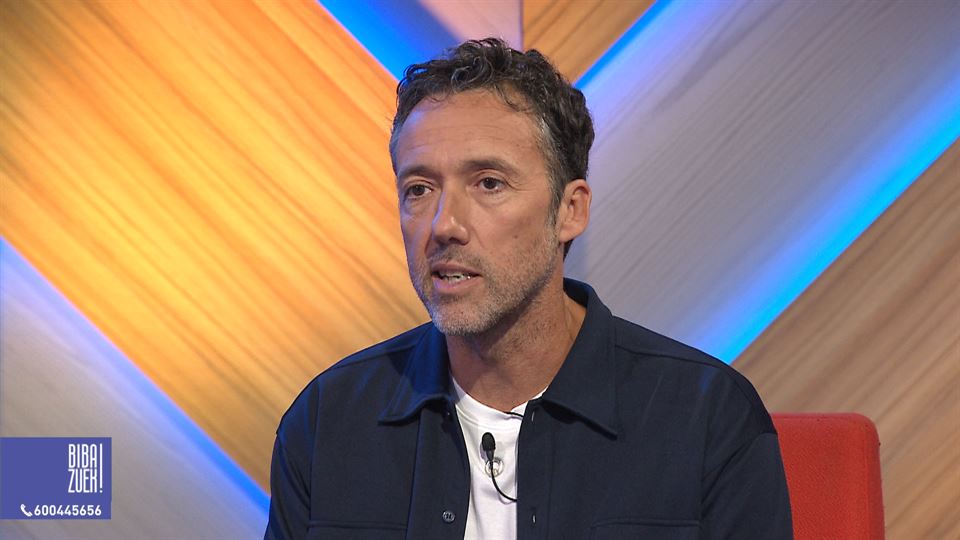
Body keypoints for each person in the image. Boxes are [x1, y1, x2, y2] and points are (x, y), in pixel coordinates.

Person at [265, 38, 792, 540]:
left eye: (488, 183)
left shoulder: (705, 419)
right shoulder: (327, 423)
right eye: (419, 189)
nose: (444, 225)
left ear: (569, 211)